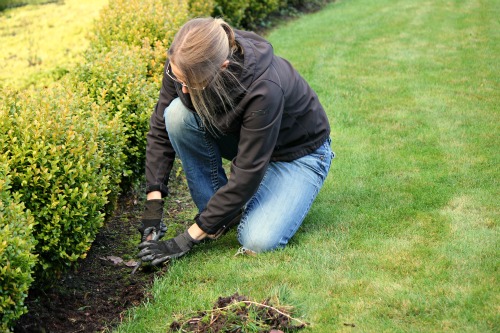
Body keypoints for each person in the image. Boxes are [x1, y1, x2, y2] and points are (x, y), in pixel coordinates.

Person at [136, 17, 334, 266]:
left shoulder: (264, 88)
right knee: (176, 115)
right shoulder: (185, 59)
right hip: (247, 142)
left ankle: (220, 214)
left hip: (297, 155)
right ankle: (221, 215)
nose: (183, 89)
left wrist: (186, 239)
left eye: (191, 83)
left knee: (257, 240)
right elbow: (160, 130)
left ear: (223, 67)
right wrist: (153, 206)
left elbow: (247, 172)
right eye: (179, 80)